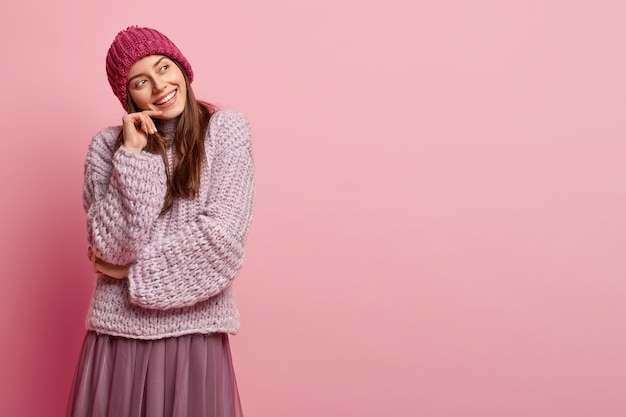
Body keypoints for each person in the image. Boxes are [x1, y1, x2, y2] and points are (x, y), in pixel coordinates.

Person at [65, 26, 255, 417]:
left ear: (182, 69)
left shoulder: (225, 130)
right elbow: (112, 246)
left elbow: (220, 245)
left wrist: (126, 275)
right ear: (128, 95)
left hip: (194, 340)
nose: (159, 86)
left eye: (164, 68)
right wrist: (135, 156)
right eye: (141, 81)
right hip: (118, 338)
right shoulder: (107, 146)